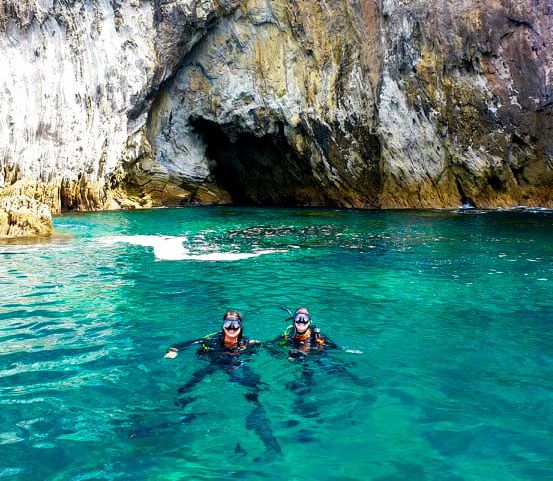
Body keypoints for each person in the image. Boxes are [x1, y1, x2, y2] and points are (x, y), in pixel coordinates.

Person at [165, 310, 281, 458]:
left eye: (235, 324)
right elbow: (184, 344)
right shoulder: (212, 340)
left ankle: (257, 420)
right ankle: (183, 410)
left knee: (254, 384)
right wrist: (174, 351)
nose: (231, 328)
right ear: (223, 325)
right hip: (214, 364)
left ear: (240, 326)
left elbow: (272, 348)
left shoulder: (247, 343)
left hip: (236, 365)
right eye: (228, 323)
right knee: (190, 385)